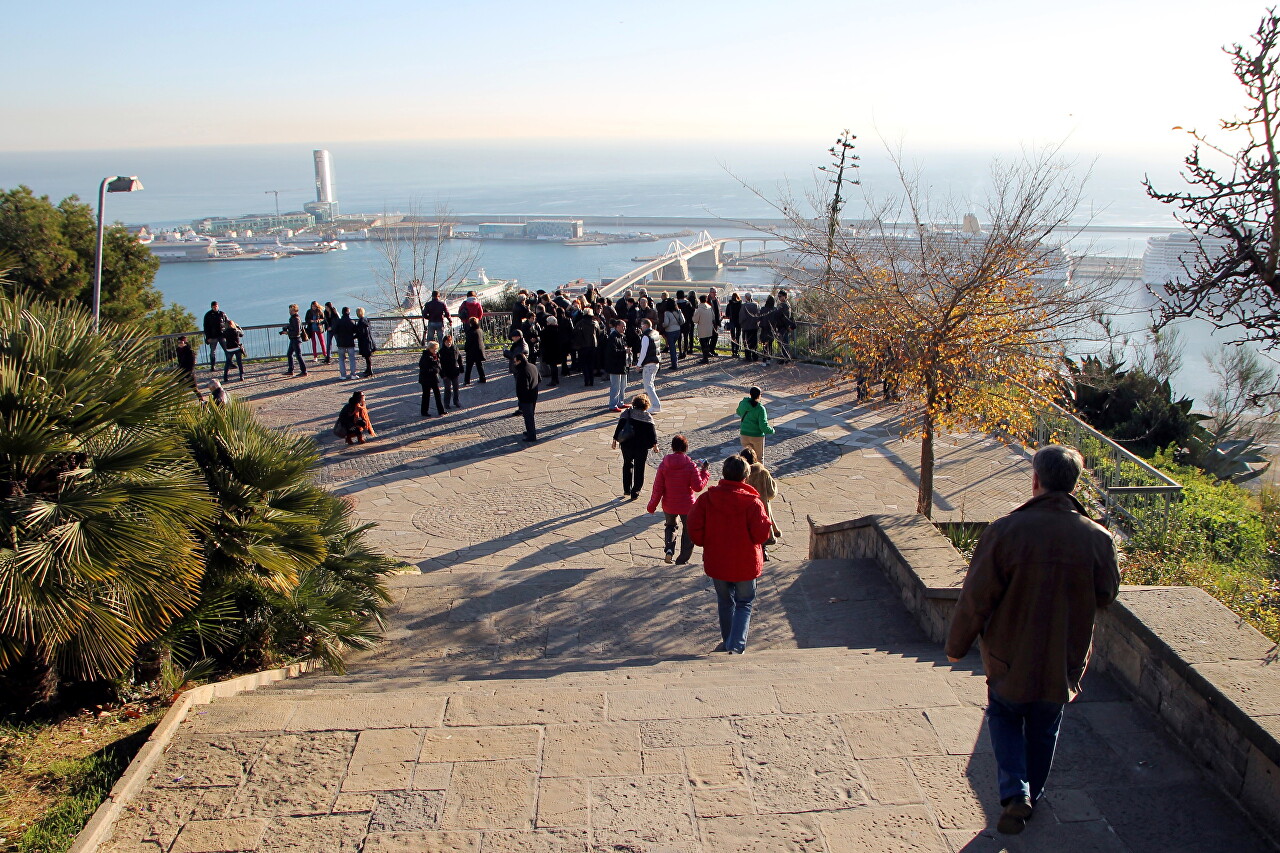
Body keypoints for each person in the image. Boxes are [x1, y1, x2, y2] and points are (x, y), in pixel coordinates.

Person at [945, 445, 1120, 836]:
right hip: (1063, 655)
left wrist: (957, 646)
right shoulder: (1098, 537)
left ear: (1036, 480)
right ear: (1074, 484)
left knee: (1005, 717)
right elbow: (1106, 594)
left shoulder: (1005, 530)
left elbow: (977, 598)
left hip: (1009, 653)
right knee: (1044, 727)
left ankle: (1014, 792)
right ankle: (1031, 799)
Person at [688, 455, 772, 654]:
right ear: (745, 476)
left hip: (718, 561)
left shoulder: (708, 499)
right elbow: (761, 535)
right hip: (745, 563)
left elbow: (693, 525)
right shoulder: (753, 503)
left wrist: (703, 541)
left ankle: (728, 641)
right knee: (744, 603)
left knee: (725, 602)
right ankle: (736, 645)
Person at [647, 435, 711, 563]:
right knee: (688, 531)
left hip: (669, 504)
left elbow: (658, 488)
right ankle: (682, 559)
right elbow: (697, 487)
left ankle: (669, 549)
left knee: (670, 526)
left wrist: (652, 505)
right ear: (686, 448)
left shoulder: (664, 464)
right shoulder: (690, 465)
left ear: (672, 447)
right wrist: (704, 472)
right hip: (687, 505)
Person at [612, 394, 659, 501]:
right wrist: (655, 445)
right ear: (646, 405)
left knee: (627, 464)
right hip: (641, 447)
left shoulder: (627, 413)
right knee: (639, 468)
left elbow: (619, 427)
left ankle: (626, 489)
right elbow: (652, 434)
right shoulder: (647, 417)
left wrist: (614, 440)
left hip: (627, 444)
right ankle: (635, 491)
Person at [739, 446, 778, 562]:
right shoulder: (763, 472)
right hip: (762, 507)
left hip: (745, 509)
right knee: (762, 529)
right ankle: (763, 552)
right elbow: (772, 492)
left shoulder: (741, 474)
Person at [737, 386, 775, 461]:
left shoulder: (743, 404)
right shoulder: (760, 408)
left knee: (746, 458)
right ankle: (759, 472)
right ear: (759, 395)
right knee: (758, 458)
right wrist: (771, 430)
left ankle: (746, 472)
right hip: (757, 436)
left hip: (744, 434)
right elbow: (763, 426)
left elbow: (738, 412)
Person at [512, 349, 540, 442]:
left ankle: (531, 436)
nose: (514, 363)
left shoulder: (522, 371)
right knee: (530, 415)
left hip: (526, 398)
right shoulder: (533, 366)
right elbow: (539, 379)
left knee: (528, 417)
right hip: (534, 395)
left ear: (519, 361)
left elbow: (524, 387)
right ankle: (529, 432)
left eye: (515, 361)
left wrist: (521, 398)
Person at [637, 319, 663, 413]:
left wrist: (638, 364)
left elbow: (643, 352)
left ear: (645, 326)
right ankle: (655, 405)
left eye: (641, 325)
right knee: (651, 384)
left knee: (648, 386)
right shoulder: (655, 333)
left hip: (648, 363)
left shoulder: (645, 336)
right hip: (656, 362)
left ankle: (656, 405)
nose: (640, 327)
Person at [605, 319, 630, 411]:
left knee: (623, 385)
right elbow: (612, 352)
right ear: (617, 326)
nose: (624, 328)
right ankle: (613, 405)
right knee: (615, 386)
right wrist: (625, 351)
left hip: (623, 364)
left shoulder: (622, 336)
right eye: (623, 326)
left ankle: (620, 402)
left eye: (625, 326)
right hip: (615, 365)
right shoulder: (613, 337)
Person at [573, 309, 602, 387]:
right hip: (593, 346)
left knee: (584, 364)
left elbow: (575, 334)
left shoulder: (579, 323)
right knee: (591, 364)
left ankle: (586, 380)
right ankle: (591, 381)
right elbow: (599, 333)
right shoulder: (595, 323)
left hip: (582, 347)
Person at [418, 341, 447, 417]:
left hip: (433, 378)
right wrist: (433, 370)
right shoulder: (425, 356)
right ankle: (424, 411)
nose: (435, 350)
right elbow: (423, 367)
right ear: (430, 348)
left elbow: (438, 366)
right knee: (426, 395)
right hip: (426, 379)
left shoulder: (436, 355)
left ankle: (441, 410)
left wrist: (442, 374)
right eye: (434, 349)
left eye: (436, 349)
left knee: (437, 394)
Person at [281, 303, 308, 377]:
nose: (290, 312)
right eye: (289, 310)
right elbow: (293, 327)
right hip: (293, 339)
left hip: (296, 339)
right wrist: (287, 327)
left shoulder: (296, 319)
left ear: (295, 310)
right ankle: (291, 370)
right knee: (289, 354)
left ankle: (304, 371)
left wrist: (287, 332)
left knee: (298, 355)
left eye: (291, 310)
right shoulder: (294, 318)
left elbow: (297, 331)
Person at [332, 307, 358, 380]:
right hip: (350, 342)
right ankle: (353, 374)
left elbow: (335, 331)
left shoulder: (338, 322)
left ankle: (343, 375)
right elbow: (356, 331)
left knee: (341, 359)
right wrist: (353, 337)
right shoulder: (351, 322)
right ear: (348, 313)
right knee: (352, 359)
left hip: (341, 343)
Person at [174, 335, 202, 400]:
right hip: (181, 371)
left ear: (185, 343)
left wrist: (189, 374)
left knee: (195, 389)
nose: (180, 344)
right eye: (178, 343)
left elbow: (192, 365)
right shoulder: (178, 350)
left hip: (189, 372)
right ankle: (179, 402)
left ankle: (201, 401)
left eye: (181, 342)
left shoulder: (190, 352)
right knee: (179, 388)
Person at [440, 333, 463, 408]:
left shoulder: (455, 348)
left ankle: (456, 401)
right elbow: (440, 364)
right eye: (447, 342)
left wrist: (461, 367)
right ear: (444, 342)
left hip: (454, 371)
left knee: (456, 387)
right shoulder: (441, 351)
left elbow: (459, 358)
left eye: (450, 341)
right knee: (447, 388)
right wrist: (442, 374)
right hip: (446, 372)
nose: (449, 343)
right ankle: (446, 403)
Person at [202, 301, 227, 370]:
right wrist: (208, 337)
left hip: (222, 335)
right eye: (213, 307)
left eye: (216, 306)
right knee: (213, 351)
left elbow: (227, 323)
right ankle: (213, 365)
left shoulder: (222, 314)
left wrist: (226, 333)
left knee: (226, 350)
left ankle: (229, 363)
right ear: (211, 307)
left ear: (218, 306)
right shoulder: (208, 315)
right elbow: (206, 327)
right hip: (213, 336)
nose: (215, 308)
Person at [693, 294, 717, 364]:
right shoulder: (709, 308)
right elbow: (713, 317)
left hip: (702, 329)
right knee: (707, 343)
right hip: (709, 328)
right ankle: (706, 356)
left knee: (703, 344)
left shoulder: (699, 309)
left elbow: (695, 320)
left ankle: (705, 358)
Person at [463, 316, 487, 385]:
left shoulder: (470, 331)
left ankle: (467, 381)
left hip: (471, 352)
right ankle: (482, 378)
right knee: (479, 365)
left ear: (470, 323)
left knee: (469, 367)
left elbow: (468, 342)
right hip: (479, 350)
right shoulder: (480, 330)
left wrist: (466, 349)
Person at [540, 315, 563, 387]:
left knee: (552, 366)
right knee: (555, 366)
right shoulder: (559, 329)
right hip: (557, 349)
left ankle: (554, 380)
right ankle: (556, 379)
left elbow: (543, 341)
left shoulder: (546, 331)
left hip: (549, 350)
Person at [661, 298, 683, 370]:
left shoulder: (667, 313)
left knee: (672, 348)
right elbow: (683, 320)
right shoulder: (678, 311)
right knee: (673, 346)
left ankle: (674, 364)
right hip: (678, 330)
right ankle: (675, 362)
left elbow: (666, 323)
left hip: (670, 331)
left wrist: (663, 325)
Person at [775, 290, 796, 363]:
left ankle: (785, 358)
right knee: (784, 343)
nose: (779, 298)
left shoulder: (784, 305)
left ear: (785, 296)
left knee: (784, 343)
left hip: (783, 327)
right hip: (784, 327)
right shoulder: (786, 304)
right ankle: (785, 358)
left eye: (780, 296)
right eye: (778, 296)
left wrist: (787, 327)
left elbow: (784, 317)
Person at [355, 307, 376, 377]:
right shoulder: (366, 320)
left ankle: (369, 370)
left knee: (367, 357)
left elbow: (360, 333)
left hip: (364, 342)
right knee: (368, 356)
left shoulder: (361, 322)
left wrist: (353, 337)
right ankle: (368, 369)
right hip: (369, 340)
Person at [740, 293, 761, 362]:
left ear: (746, 297)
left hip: (746, 327)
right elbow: (759, 315)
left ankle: (748, 357)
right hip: (754, 326)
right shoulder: (756, 305)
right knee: (754, 342)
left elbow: (742, 317)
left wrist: (742, 324)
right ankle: (755, 356)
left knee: (746, 342)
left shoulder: (744, 306)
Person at [726, 292, 743, 358]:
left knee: (733, 336)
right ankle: (737, 350)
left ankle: (733, 351)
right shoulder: (740, 304)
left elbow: (727, 314)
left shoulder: (729, 305)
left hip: (732, 321)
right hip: (738, 322)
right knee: (738, 336)